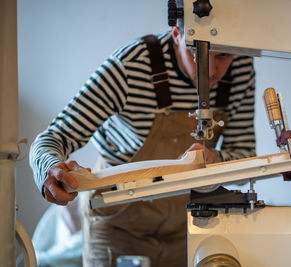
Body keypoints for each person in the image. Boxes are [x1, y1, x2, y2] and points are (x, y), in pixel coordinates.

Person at [30, 18, 256, 267]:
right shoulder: (130, 66)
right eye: (197, 54)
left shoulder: (241, 70)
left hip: (185, 227)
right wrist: (50, 168)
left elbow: (244, 154)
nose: (211, 70)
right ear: (177, 33)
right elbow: (52, 138)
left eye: (223, 56)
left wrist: (216, 162)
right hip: (118, 228)